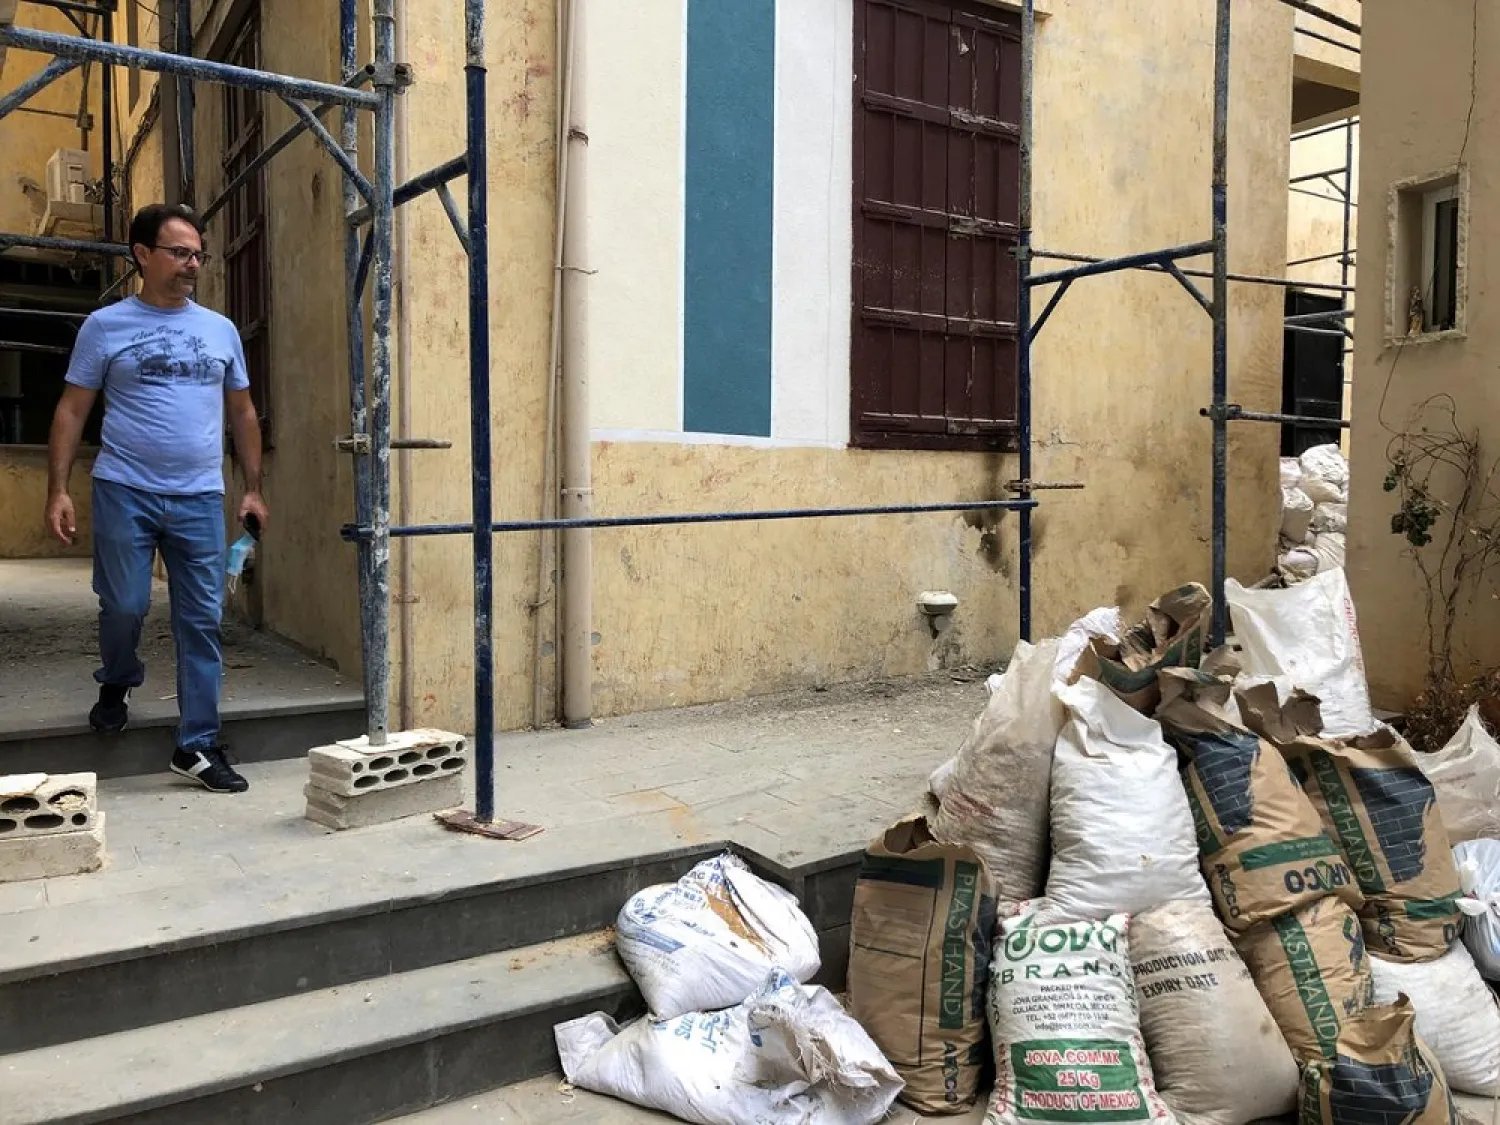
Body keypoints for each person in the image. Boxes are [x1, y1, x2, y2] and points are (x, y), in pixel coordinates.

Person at [44, 203, 269, 794]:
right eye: (180, 252)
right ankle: (118, 678)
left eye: (198, 253)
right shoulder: (105, 326)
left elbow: (242, 410)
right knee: (124, 606)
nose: (192, 264)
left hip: (198, 497)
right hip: (125, 489)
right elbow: (72, 408)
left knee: (202, 622)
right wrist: (58, 490)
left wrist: (253, 487)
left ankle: (195, 744)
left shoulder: (218, 330)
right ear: (142, 255)